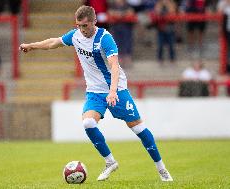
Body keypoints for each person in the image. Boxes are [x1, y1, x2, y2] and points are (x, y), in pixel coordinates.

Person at [19, 5, 173, 182]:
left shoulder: (105, 38)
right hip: (94, 92)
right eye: (78, 26)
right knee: (88, 123)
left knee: (138, 128)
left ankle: (161, 169)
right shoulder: (76, 36)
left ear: (94, 22)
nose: (81, 30)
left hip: (116, 90)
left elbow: (114, 65)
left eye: (85, 26)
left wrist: (113, 91)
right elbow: (54, 42)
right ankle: (110, 162)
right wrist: (32, 46)